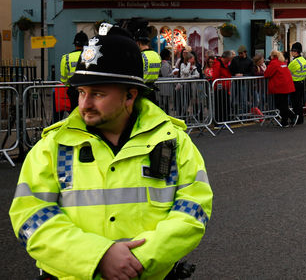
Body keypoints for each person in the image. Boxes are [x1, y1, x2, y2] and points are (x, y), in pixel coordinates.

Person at [9, 24, 212, 280]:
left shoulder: (174, 142)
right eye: (81, 92)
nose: (84, 104)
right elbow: (30, 217)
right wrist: (98, 257)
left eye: (98, 93)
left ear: (130, 96)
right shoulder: (52, 146)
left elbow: (193, 210)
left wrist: (135, 261)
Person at [264, 50, 295, 125]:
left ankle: (292, 116)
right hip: (286, 85)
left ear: (272, 56)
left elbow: (267, 74)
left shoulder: (274, 63)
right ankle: (285, 121)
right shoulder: (282, 62)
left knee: (280, 105)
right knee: (284, 104)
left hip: (280, 86)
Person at [288, 43, 306, 125]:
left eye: (292, 51)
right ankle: (300, 119)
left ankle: (296, 118)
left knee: (295, 103)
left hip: (294, 83)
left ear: (296, 52)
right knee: (299, 102)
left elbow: (287, 72)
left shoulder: (294, 62)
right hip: (302, 83)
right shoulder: (304, 60)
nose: (291, 53)